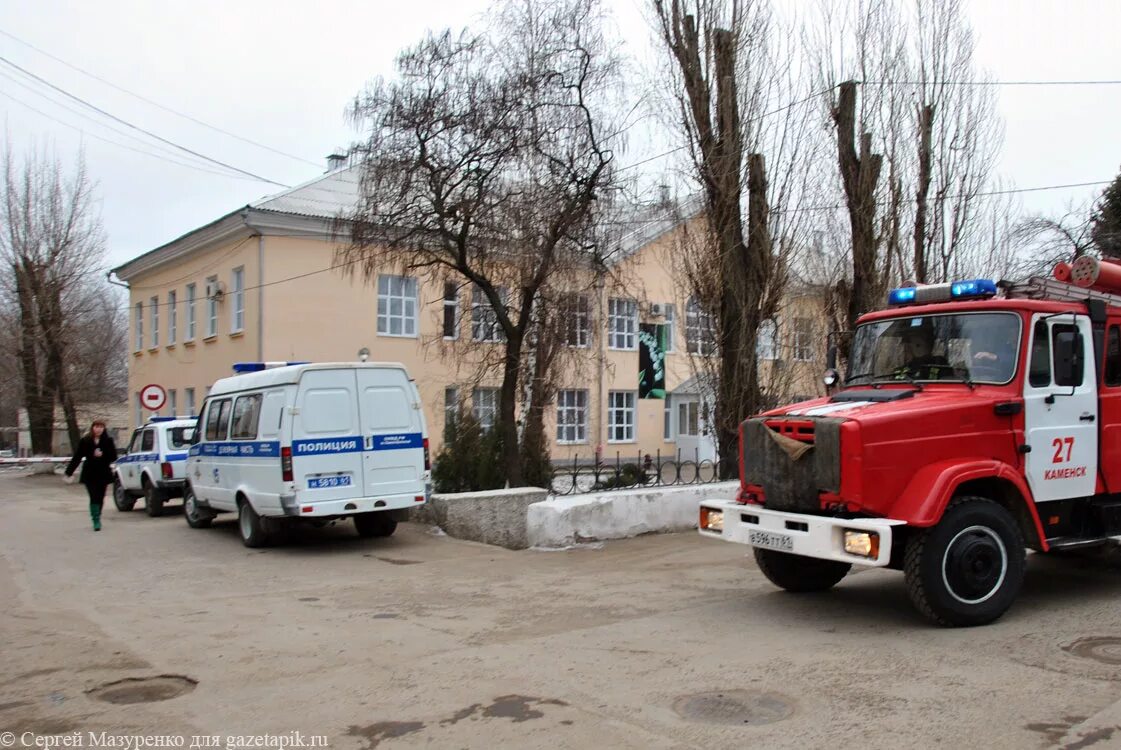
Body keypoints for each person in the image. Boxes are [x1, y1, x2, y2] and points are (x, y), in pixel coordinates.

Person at [65, 420, 119, 531]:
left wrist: (103, 454)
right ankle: (96, 520)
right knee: (93, 496)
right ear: (92, 428)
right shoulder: (86, 441)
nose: (98, 429)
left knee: (100, 497)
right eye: (96, 427)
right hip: (90, 473)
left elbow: (114, 457)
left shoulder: (108, 441)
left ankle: (98, 514)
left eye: (101, 427)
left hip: (103, 473)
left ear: (104, 429)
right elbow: (77, 457)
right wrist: (69, 472)